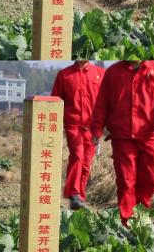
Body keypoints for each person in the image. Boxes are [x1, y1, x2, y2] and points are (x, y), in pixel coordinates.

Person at [91, 61, 154, 226]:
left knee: (151, 177)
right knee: (126, 180)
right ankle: (126, 223)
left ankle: (141, 214)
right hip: (122, 135)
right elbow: (102, 103)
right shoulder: (114, 72)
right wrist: (96, 131)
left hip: (149, 135)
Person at [51, 60, 105, 210]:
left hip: (93, 127)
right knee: (77, 155)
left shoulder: (101, 74)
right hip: (73, 124)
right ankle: (74, 193)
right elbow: (55, 101)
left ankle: (79, 197)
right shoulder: (64, 75)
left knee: (86, 163)